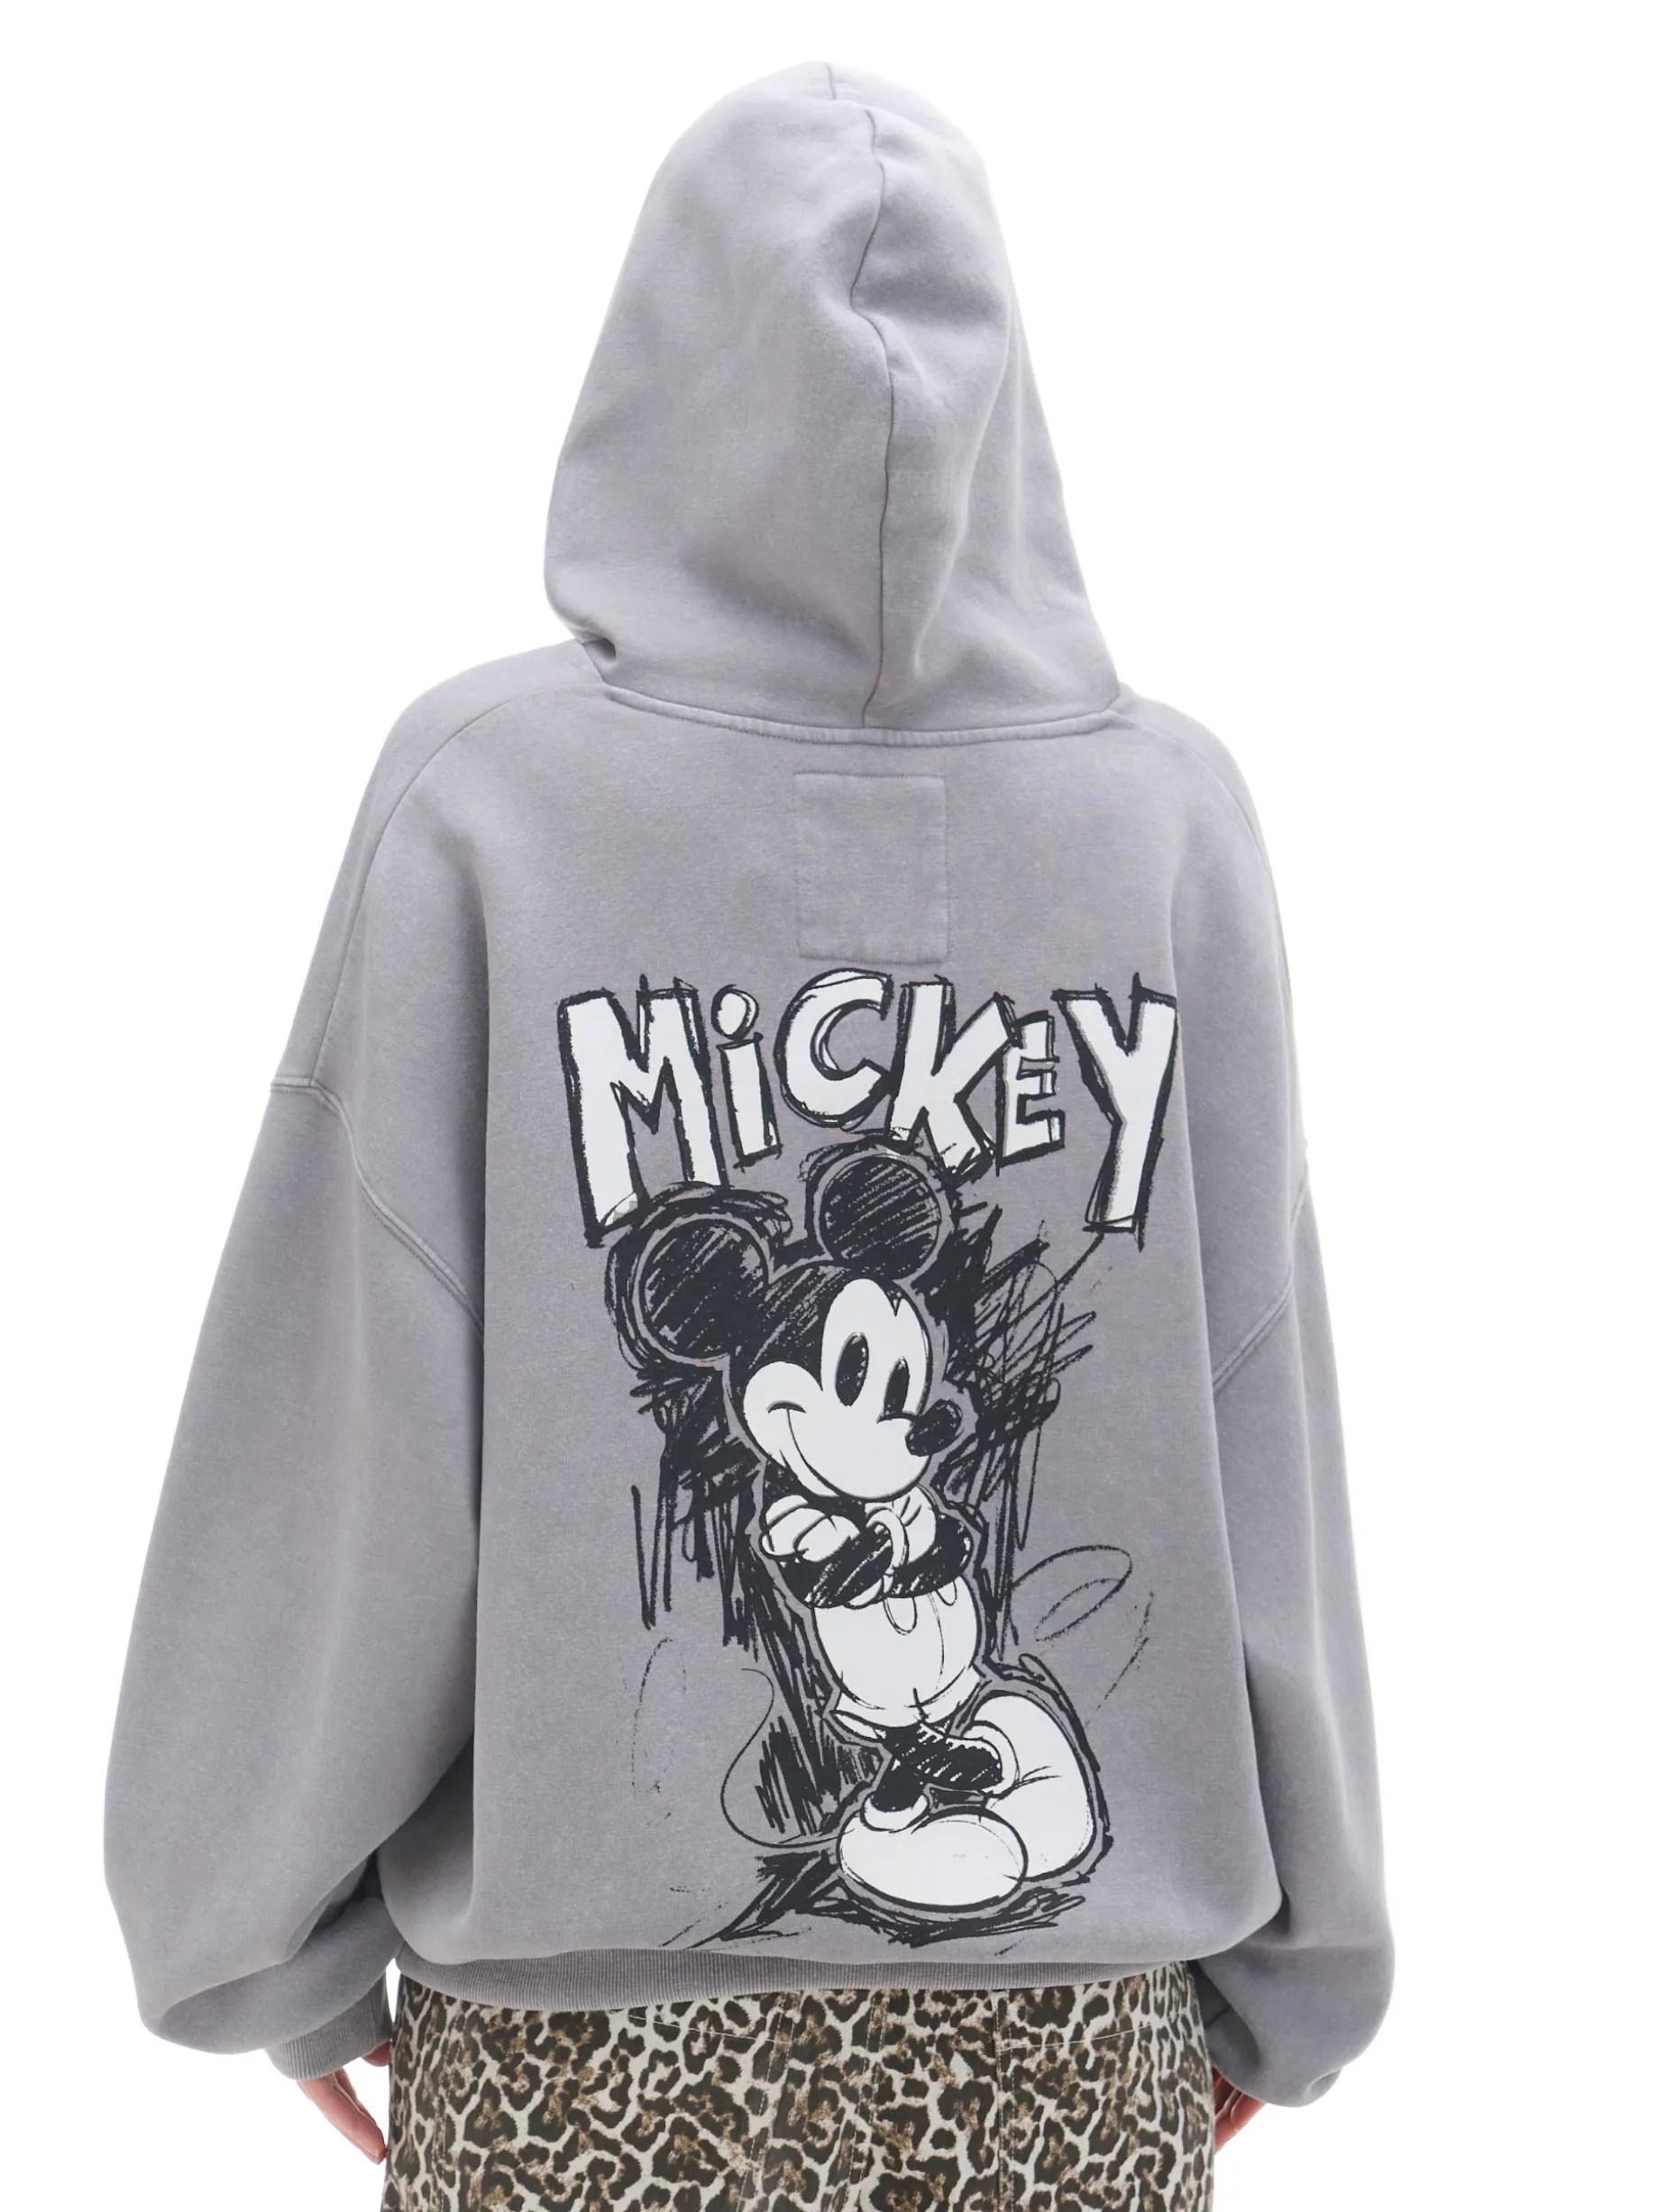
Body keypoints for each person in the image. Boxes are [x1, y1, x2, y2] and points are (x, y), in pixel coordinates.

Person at [105, 62, 1390, 2209]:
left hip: (575, 2080)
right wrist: (1301, 1972)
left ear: (656, 361)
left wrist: (259, 1939)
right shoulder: (1165, 820)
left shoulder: (484, 801)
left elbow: (340, 1428)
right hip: (1065, 2066)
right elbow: (1256, 1423)